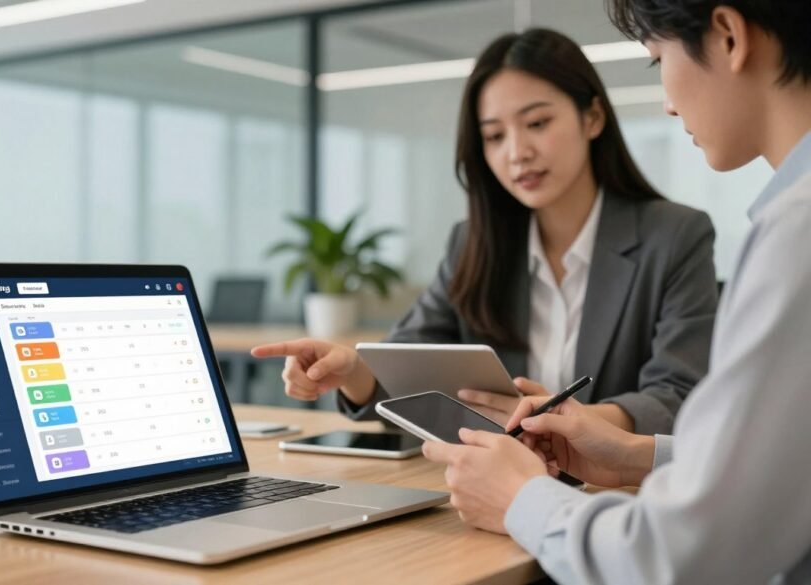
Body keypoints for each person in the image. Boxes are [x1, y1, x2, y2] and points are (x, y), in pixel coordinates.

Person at [421, 1, 811, 583]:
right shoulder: (792, 220)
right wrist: (635, 456)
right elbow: (783, 468)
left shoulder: (794, 232)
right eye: (495, 135)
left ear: (728, 36)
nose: (668, 102)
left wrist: (521, 498)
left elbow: (684, 556)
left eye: (658, 61)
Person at [252, 28, 718, 435]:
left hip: (614, 496)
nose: (517, 152)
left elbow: (680, 395)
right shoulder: (473, 243)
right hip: (491, 488)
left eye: (537, 123)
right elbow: (408, 360)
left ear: (592, 118)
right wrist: (351, 370)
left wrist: (578, 425)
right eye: (494, 136)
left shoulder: (675, 236)